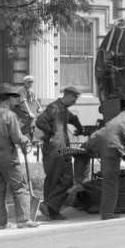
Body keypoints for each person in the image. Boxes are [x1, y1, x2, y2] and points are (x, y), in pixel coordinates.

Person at [0, 82, 38, 230]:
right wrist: (26, 140)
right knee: (20, 187)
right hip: (8, 158)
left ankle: (1, 223)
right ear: (8, 98)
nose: (17, 100)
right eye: (15, 97)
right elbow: (16, 137)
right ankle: (24, 219)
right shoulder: (10, 115)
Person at [34, 85, 83, 221]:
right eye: (74, 98)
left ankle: (51, 210)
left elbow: (74, 119)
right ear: (67, 95)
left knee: (58, 179)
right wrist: (51, 132)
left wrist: (80, 129)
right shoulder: (54, 108)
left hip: (60, 149)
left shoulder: (63, 109)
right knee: (61, 179)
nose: (75, 102)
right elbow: (39, 121)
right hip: (55, 149)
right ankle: (50, 206)